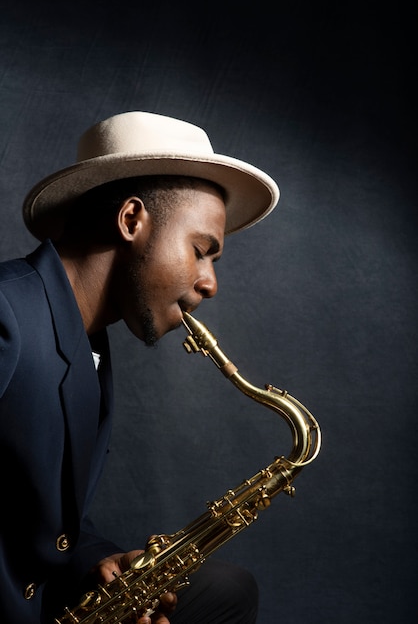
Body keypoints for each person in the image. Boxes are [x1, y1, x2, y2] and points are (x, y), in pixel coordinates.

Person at [0, 111, 279, 623]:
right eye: (201, 251)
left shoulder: (89, 342)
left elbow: (48, 520)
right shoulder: (5, 315)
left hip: (41, 598)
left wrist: (100, 566)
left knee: (227, 588)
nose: (210, 283)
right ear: (131, 221)